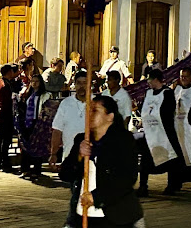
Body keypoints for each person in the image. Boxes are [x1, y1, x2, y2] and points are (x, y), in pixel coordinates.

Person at [60, 96, 145, 228]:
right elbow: (65, 174)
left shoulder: (123, 141)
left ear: (109, 116)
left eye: (95, 110)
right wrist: (79, 156)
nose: (90, 114)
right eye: (89, 110)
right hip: (82, 214)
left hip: (115, 215)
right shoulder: (82, 139)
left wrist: (97, 197)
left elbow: (127, 178)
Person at [51, 71, 90, 228]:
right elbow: (57, 129)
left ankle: (72, 222)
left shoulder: (96, 103)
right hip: (71, 158)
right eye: (79, 83)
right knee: (77, 191)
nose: (81, 87)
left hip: (91, 158)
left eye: (84, 83)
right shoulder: (66, 104)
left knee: (79, 193)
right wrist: (53, 153)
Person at [138, 68, 183, 196]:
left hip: (164, 132)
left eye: (150, 80)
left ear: (156, 80)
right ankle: (143, 186)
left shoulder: (167, 93)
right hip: (150, 133)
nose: (148, 83)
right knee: (146, 159)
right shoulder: (148, 93)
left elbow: (168, 112)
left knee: (170, 157)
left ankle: (171, 185)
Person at [19, 74, 51, 179]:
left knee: (38, 146)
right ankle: (25, 169)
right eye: (33, 81)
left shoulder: (45, 95)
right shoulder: (28, 95)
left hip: (39, 122)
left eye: (37, 81)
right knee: (26, 146)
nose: (34, 83)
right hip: (28, 122)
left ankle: (37, 169)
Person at [0, 63, 19, 172]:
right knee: (5, 139)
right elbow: (6, 101)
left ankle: (0, 162)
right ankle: (3, 162)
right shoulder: (5, 85)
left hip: (3, 113)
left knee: (2, 138)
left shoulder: (2, 83)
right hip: (6, 113)